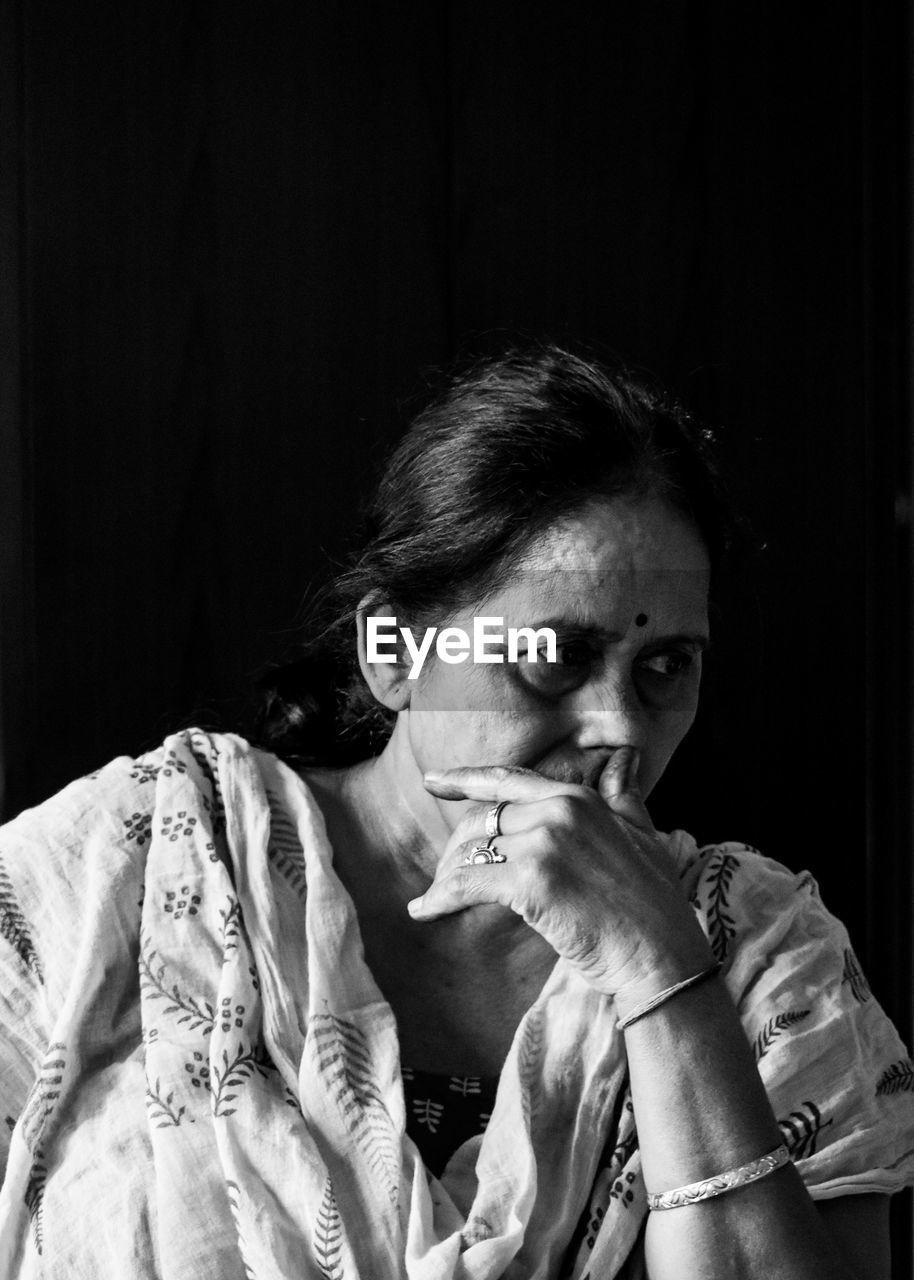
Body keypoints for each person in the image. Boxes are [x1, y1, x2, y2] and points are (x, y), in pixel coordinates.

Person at [0, 345, 911, 1279]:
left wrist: (662, 975)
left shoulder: (763, 958)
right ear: (393, 654)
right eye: (553, 655)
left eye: (664, 667)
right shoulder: (135, 866)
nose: (618, 730)